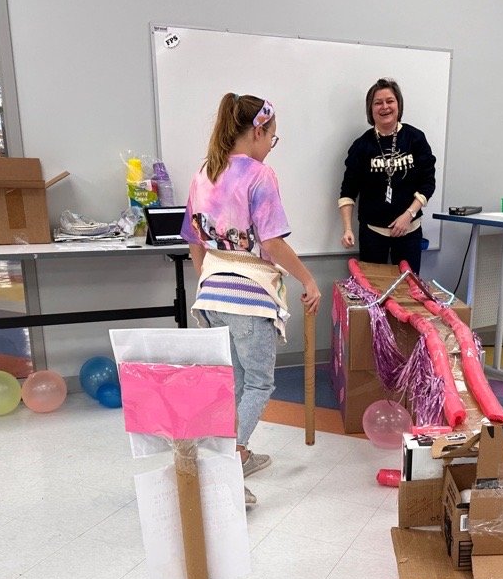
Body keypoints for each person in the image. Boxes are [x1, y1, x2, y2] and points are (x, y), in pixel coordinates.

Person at [183, 92, 321, 508]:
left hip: (211, 295)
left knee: (237, 381)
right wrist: (309, 280)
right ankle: (226, 464)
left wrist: (211, 284)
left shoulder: (204, 172)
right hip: (248, 296)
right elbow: (273, 242)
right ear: (258, 131)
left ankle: (237, 455)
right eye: (272, 137)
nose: (270, 146)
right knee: (260, 382)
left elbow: (194, 243)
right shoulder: (259, 175)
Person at [338, 77, 436, 274]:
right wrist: (347, 228)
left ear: (398, 104)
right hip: (372, 234)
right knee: (374, 292)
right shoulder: (361, 145)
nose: (385, 107)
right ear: (370, 109)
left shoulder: (415, 138)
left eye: (390, 101)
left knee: (409, 291)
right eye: (378, 102)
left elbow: (428, 182)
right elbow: (347, 191)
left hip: (409, 231)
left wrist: (408, 215)